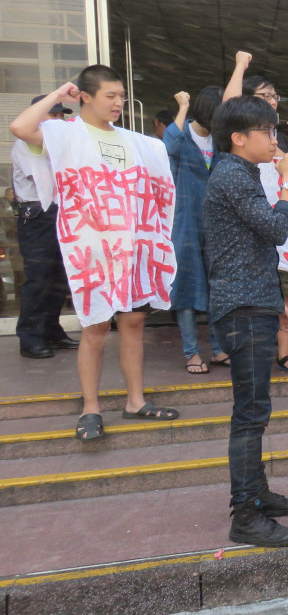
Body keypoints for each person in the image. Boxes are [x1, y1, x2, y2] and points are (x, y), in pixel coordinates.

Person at [9, 65, 180, 440]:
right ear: (85, 96)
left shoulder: (135, 141)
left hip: (132, 247)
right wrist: (56, 96)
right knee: (96, 326)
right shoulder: (63, 134)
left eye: (121, 95)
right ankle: (91, 408)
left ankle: (136, 400)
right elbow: (20, 128)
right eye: (110, 96)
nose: (119, 103)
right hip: (92, 248)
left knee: (133, 323)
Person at [204, 95, 288, 547]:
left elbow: (254, 248)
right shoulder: (231, 174)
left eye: (274, 131)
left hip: (254, 302)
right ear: (238, 138)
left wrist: (277, 301)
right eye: (267, 132)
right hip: (241, 310)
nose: (275, 140)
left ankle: (259, 494)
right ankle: (245, 515)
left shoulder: (240, 173)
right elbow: (274, 230)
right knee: (249, 415)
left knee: (255, 412)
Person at [225, 51, 288, 373]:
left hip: (280, 220)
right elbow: (228, 106)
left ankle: (284, 351)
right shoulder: (238, 143)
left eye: (274, 96)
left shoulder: (281, 139)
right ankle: (252, 355)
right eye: (264, 96)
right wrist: (240, 66)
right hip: (254, 225)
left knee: (285, 286)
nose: (272, 101)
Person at [164, 86, 231, 374]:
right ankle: (192, 352)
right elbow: (169, 144)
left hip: (216, 223)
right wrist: (182, 107)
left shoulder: (220, 142)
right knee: (187, 287)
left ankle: (218, 349)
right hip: (185, 222)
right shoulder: (183, 136)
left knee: (218, 285)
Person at [10, 95, 78, 359]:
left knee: (59, 278)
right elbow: (47, 175)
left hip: (60, 212)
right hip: (38, 214)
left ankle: (51, 330)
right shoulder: (25, 143)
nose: (58, 121)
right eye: (53, 115)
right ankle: (30, 337)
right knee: (39, 278)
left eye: (61, 116)